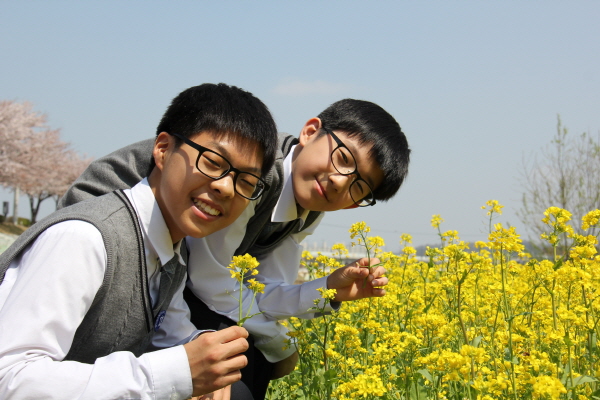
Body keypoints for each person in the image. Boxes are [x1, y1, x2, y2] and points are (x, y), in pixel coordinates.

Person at [60, 98, 411, 399]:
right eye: (343, 158)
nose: (339, 181)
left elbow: (262, 292)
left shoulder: (308, 207)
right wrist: (278, 344)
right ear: (309, 132)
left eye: (359, 186)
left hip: (170, 272)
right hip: (108, 252)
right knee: (243, 367)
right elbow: (209, 281)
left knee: (250, 360)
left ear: (356, 204)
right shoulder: (253, 176)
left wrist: (327, 290)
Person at [0, 83, 280, 399]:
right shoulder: (85, 240)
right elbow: (10, 377)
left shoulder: (168, 252)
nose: (226, 188)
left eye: (246, 181)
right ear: (163, 149)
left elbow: (174, 333)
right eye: (213, 162)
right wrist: (177, 373)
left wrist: (203, 358)